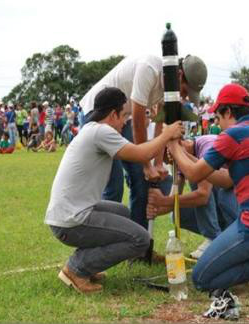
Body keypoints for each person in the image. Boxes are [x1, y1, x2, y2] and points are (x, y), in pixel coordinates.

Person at [167, 83, 249, 316]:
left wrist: (173, 146)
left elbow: (196, 174)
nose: (217, 124)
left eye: (218, 117)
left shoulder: (232, 135)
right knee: (218, 265)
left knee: (202, 278)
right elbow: (225, 180)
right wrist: (185, 153)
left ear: (229, 112)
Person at [45, 87, 184, 293]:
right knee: (141, 239)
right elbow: (138, 153)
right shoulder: (102, 132)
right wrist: (166, 134)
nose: (125, 122)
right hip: (71, 221)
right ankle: (77, 268)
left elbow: (139, 154)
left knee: (123, 214)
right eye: (125, 116)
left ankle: (88, 265)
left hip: (67, 215)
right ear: (113, 114)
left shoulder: (92, 129)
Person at [79, 54, 207, 261]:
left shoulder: (170, 88)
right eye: (185, 91)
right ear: (179, 75)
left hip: (122, 118)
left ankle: (138, 249)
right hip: (97, 114)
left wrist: (157, 164)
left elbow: (158, 123)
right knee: (113, 185)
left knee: (140, 181)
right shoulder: (149, 69)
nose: (184, 97)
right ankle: (101, 253)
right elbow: (139, 119)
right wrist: (146, 164)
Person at [147, 135, 239, 259]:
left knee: (197, 175)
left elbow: (203, 195)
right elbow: (173, 200)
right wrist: (156, 209)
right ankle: (223, 237)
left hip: (236, 201)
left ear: (179, 144)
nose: (167, 162)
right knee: (177, 215)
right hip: (225, 207)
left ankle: (213, 239)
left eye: (167, 156)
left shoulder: (207, 146)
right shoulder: (181, 161)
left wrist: (164, 201)